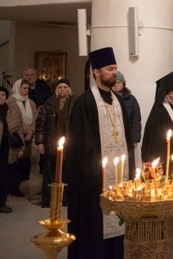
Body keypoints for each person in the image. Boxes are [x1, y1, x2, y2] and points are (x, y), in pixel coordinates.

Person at [63, 47, 134, 259]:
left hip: (118, 180)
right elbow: (81, 145)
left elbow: (127, 139)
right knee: (93, 232)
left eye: (115, 69)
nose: (114, 72)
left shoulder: (119, 101)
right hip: (94, 184)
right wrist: (98, 173)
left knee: (116, 233)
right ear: (96, 72)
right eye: (110, 69)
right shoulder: (84, 103)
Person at [141, 71, 173, 259]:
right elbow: (153, 148)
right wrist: (158, 177)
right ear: (171, 93)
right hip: (166, 175)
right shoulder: (159, 114)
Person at [35, 78, 74, 208]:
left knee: (67, 172)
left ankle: (65, 199)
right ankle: (48, 200)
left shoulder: (75, 102)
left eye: (65, 87)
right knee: (49, 172)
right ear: (56, 89)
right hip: (51, 141)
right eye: (60, 87)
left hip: (69, 142)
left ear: (69, 89)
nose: (62, 90)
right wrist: (40, 142)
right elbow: (41, 123)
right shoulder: (50, 102)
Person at [7, 79, 37, 195]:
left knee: (24, 163)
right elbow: (13, 121)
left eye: (27, 88)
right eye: (23, 88)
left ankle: (18, 184)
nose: (26, 90)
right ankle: (13, 187)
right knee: (14, 164)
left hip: (28, 137)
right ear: (17, 88)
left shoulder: (31, 102)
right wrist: (24, 131)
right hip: (16, 138)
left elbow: (35, 118)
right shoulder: (10, 102)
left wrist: (31, 132)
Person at [0, 86, 24, 214]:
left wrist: (21, 148)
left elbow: (19, 129)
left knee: (5, 176)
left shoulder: (11, 111)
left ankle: (2, 202)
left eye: (3, 95)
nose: (0, 97)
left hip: (7, 147)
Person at [112, 71, 142, 151]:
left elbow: (136, 120)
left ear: (123, 84)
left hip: (127, 135)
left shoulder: (131, 100)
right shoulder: (105, 98)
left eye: (118, 82)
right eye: (114, 82)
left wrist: (135, 138)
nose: (116, 84)